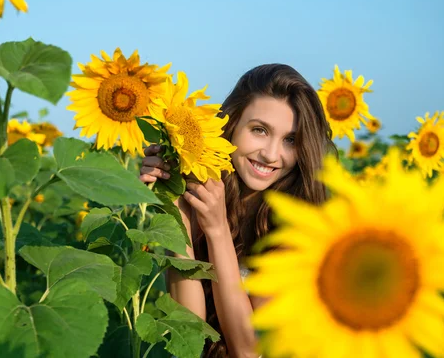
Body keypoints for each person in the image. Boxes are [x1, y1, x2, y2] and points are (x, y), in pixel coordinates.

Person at [139, 64, 337, 358]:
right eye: (259, 130)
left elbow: (247, 350)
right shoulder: (208, 192)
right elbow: (190, 334)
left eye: (290, 140)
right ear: (230, 126)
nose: (271, 154)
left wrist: (217, 230)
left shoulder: (301, 224)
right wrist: (175, 204)